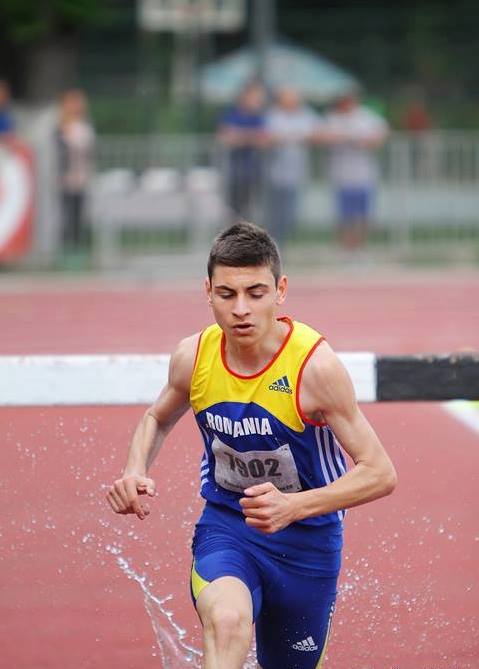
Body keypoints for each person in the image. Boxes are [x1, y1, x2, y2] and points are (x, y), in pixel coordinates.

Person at [106, 221, 397, 669]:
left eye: (255, 293)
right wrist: (134, 469)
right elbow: (157, 417)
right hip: (229, 526)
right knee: (227, 621)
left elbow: (380, 473)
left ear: (280, 291)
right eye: (227, 294)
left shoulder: (314, 369)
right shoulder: (193, 356)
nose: (240, 309)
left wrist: (293, 507)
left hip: (308, 545)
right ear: (207, 292)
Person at [319, 94, 389, 251]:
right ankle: (345, 247)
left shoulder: (366, 117)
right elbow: (321, 135)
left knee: (363, 215)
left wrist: (364, 141)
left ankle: (360, 246)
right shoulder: (333, 118)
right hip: (341, 176)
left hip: (364, 175)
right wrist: (341, 138)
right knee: (344, 216)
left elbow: (381, 134)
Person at [265, 87, 320, 247]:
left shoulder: (306, 114)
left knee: (290, 212)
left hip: (297, 172)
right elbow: (265, 136)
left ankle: (281, 243)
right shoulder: (272, 115)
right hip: (274, 173)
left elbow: (320, 132)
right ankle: (273, 244)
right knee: (274, 212)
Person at [217, 82, 267, 222]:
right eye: (255, 97)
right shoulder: (230, 114)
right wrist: (252, 137)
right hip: (234, 173)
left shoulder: (258, 118)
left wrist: (241, 136)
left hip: (253, 172)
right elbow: (226, 138)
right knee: (233, 212)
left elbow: (264, 140)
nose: (258, 101)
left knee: (250, 211)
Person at [55, 88, 95, 251]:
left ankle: (78, 248)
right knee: (66, 216)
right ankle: (65, 249)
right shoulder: (59, 126)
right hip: (64, 179)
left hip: (81, 177)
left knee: (79, 216)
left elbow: (87, 146)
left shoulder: (85, 125)